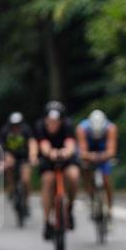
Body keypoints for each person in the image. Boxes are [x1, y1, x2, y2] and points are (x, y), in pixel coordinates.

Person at [37, 102, 79, 239]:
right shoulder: (40, 127)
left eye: (56, 121)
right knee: (48, 180)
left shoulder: (67, 125)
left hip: (66, 158)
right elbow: (43, 144)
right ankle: (47, 220)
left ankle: (70, 207)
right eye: (50, 121)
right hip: (48, 160)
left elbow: (70, 143)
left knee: (73, 176)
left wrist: (66, 152)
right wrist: (50, 153)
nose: (52, 124)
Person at [76, 109, 118, 221]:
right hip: (89, 151)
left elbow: (111, 149)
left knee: (106, 179)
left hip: (103, 151)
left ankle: (109, 208)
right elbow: (83, 150)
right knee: (85, 169)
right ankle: (90, 195)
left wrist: (105, 156)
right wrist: (89, 157)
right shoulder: (82, 128)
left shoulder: (110, 128)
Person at [0, 112, 38, 216]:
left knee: (26, 180)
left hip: (24, 158)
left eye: (18, 125)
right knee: (8, 169)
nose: (16, 128)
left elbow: (32, 143)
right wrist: (5, 157)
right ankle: (11, 189)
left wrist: (33, 156)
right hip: (10, 158)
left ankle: (26, 201)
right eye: (13, 125)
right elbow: (0, 146)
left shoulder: (26, 130)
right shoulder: (5, 131)